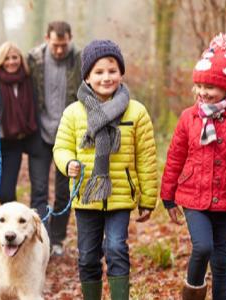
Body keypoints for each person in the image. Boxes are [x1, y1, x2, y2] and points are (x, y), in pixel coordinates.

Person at [160, 33, 226, 300]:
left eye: (210, 87)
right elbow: (175, 156)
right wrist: (168, 196)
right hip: (194, 197)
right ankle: (192, 293)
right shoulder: (189, 117)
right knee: (203, 247)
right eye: (199, 86)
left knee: (220, 261)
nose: (203, 93)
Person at [53, 39, 158, 300]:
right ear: (87, 77)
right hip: (86, 196)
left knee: (116, 249)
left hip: (121, 196)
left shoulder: (137, 111)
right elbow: (61, 148)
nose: (106, 77)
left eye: (112, 71)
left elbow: (146, 157)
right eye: (99, 72)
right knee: (88, 255)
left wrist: (147, 198)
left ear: (121, 73)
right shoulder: (73, 113)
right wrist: (69, 164)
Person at [27, 20, 82, 256]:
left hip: (68, 136)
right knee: (39, 190)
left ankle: (57, 240)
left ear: (70, 39)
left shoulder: (79, 60)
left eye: (63, 45)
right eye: (55, 45)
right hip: (40, 133)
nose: (59, 50)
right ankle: (39, 238)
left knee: (63, 192)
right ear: (46, 38)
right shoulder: (34, 60)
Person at [0, 42, 38, 204]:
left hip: (14, 144)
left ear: (21, 59)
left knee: (7, 193)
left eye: (15, 57)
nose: (11, 62)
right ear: (0, 60)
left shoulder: (28, 81)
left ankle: (10, 225)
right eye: (6, 58)